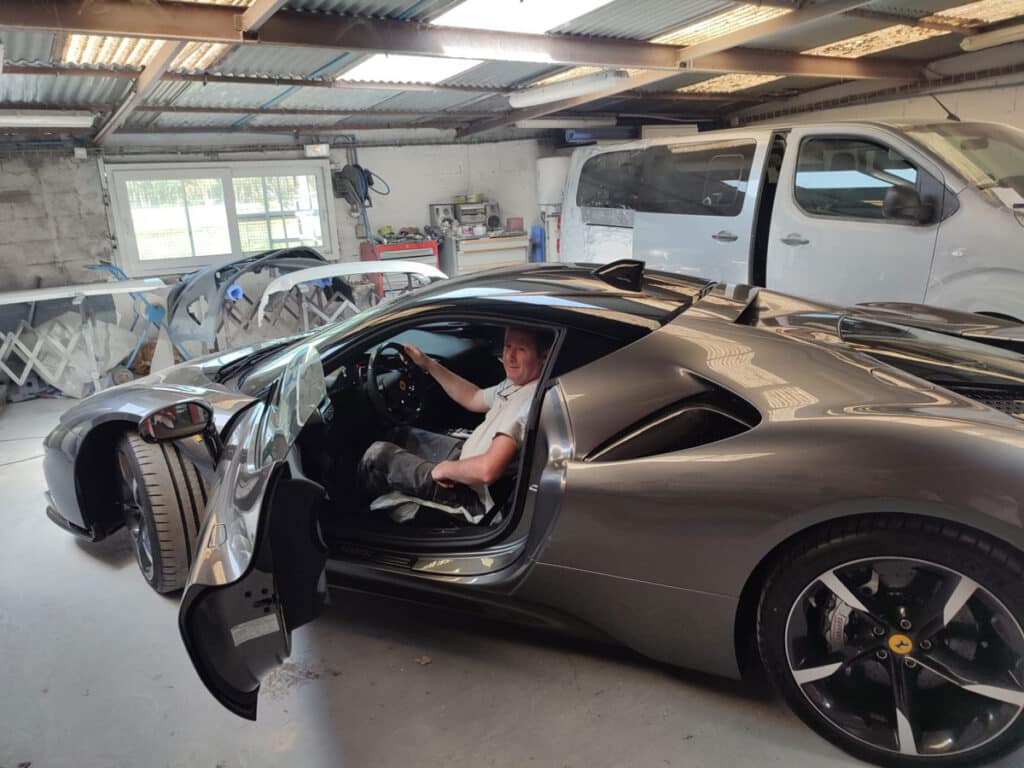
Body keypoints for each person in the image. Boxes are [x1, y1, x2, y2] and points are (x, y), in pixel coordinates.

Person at [358, 325, 551, 523]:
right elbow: (473, 397)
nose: (510, 356)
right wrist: (428, 364)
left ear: (544, 357)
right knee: (398, 435)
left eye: (521, 349)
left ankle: (371, 523)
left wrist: (444, 469)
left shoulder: (527, 404)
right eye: (508, 346)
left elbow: (487, 470)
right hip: (467, 458)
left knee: (376, 457)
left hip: (474, 494)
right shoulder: (516, 384)